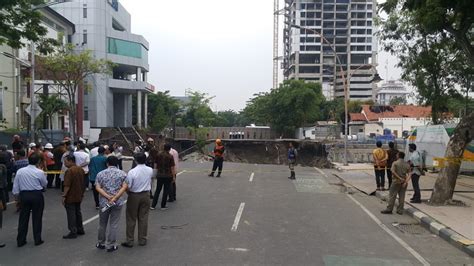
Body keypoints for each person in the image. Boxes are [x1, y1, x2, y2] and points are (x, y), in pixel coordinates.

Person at [12, 153, 47, 247]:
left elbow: (15, 187)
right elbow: (44, 184)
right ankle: (37, 239)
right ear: (38, 162)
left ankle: (21, 240)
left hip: (24, 195)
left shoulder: (20, 171)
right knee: (37, 217)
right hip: (36, 195)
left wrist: (17, 199)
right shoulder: (39, 172)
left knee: (23, 218)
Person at [95, 156, 127, 252]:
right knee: (114, 224)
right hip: (117, 202)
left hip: (105, 203)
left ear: (107, 163)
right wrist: (115, 197)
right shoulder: (122, 174)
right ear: (117, 163)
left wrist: (108, 197)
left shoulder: (100, 174)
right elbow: (124, 187)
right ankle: (111, 245)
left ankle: (101, 243)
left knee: (102, 223)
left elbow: (98, 187)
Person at [121, 153, 153, 248]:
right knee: (143, 217)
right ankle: (142, 239)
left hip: (134, 195)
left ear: (135, 160)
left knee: (131, 218)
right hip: (146, 194)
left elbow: (128, 186)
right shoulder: (150, 170)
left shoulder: (132, 172)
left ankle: (130, 240)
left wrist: (128, 193)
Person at [62, 154, 85, 239]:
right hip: (79, 194)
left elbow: (67, 185)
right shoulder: (80, 169)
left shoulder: (69, 171)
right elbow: (84, 183)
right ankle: (80, 228)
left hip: (71, 195)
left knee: (71, 213)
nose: (64, 163)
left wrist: (64, 196)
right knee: (78, 212)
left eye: (66, 161)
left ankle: (73, 231)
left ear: (71, 161)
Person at [151, 145, 176, 210]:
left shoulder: (158, 154)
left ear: (163, 148)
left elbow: (155, 164)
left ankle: (153, 205)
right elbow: (172, 167)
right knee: (165, 190)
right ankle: (163, 206)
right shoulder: (170, 156)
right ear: (169, 149)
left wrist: (155, 173)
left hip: (159, 174)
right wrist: (173, 176)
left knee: (158, 190)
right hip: (168, 175)